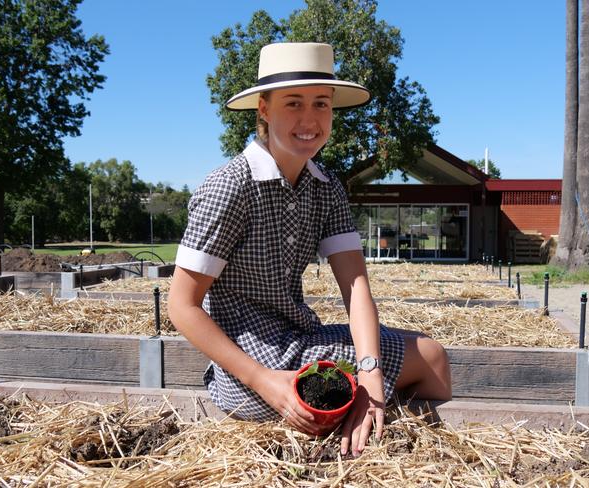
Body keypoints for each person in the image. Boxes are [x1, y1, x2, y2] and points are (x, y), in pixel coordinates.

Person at [168, 42, 451, 457]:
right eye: (293, 103)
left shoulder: (326, 187)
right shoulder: (231, 185)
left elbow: (355, 287)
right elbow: (181, 306)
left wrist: (370, 374)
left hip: (298, 341)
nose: (309, 119)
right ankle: (370, 439)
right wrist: (264, 380)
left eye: (321, 104)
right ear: (263, 109)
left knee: (426, 359)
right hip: (253, 374)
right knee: (431, 358)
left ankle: (368, 425)